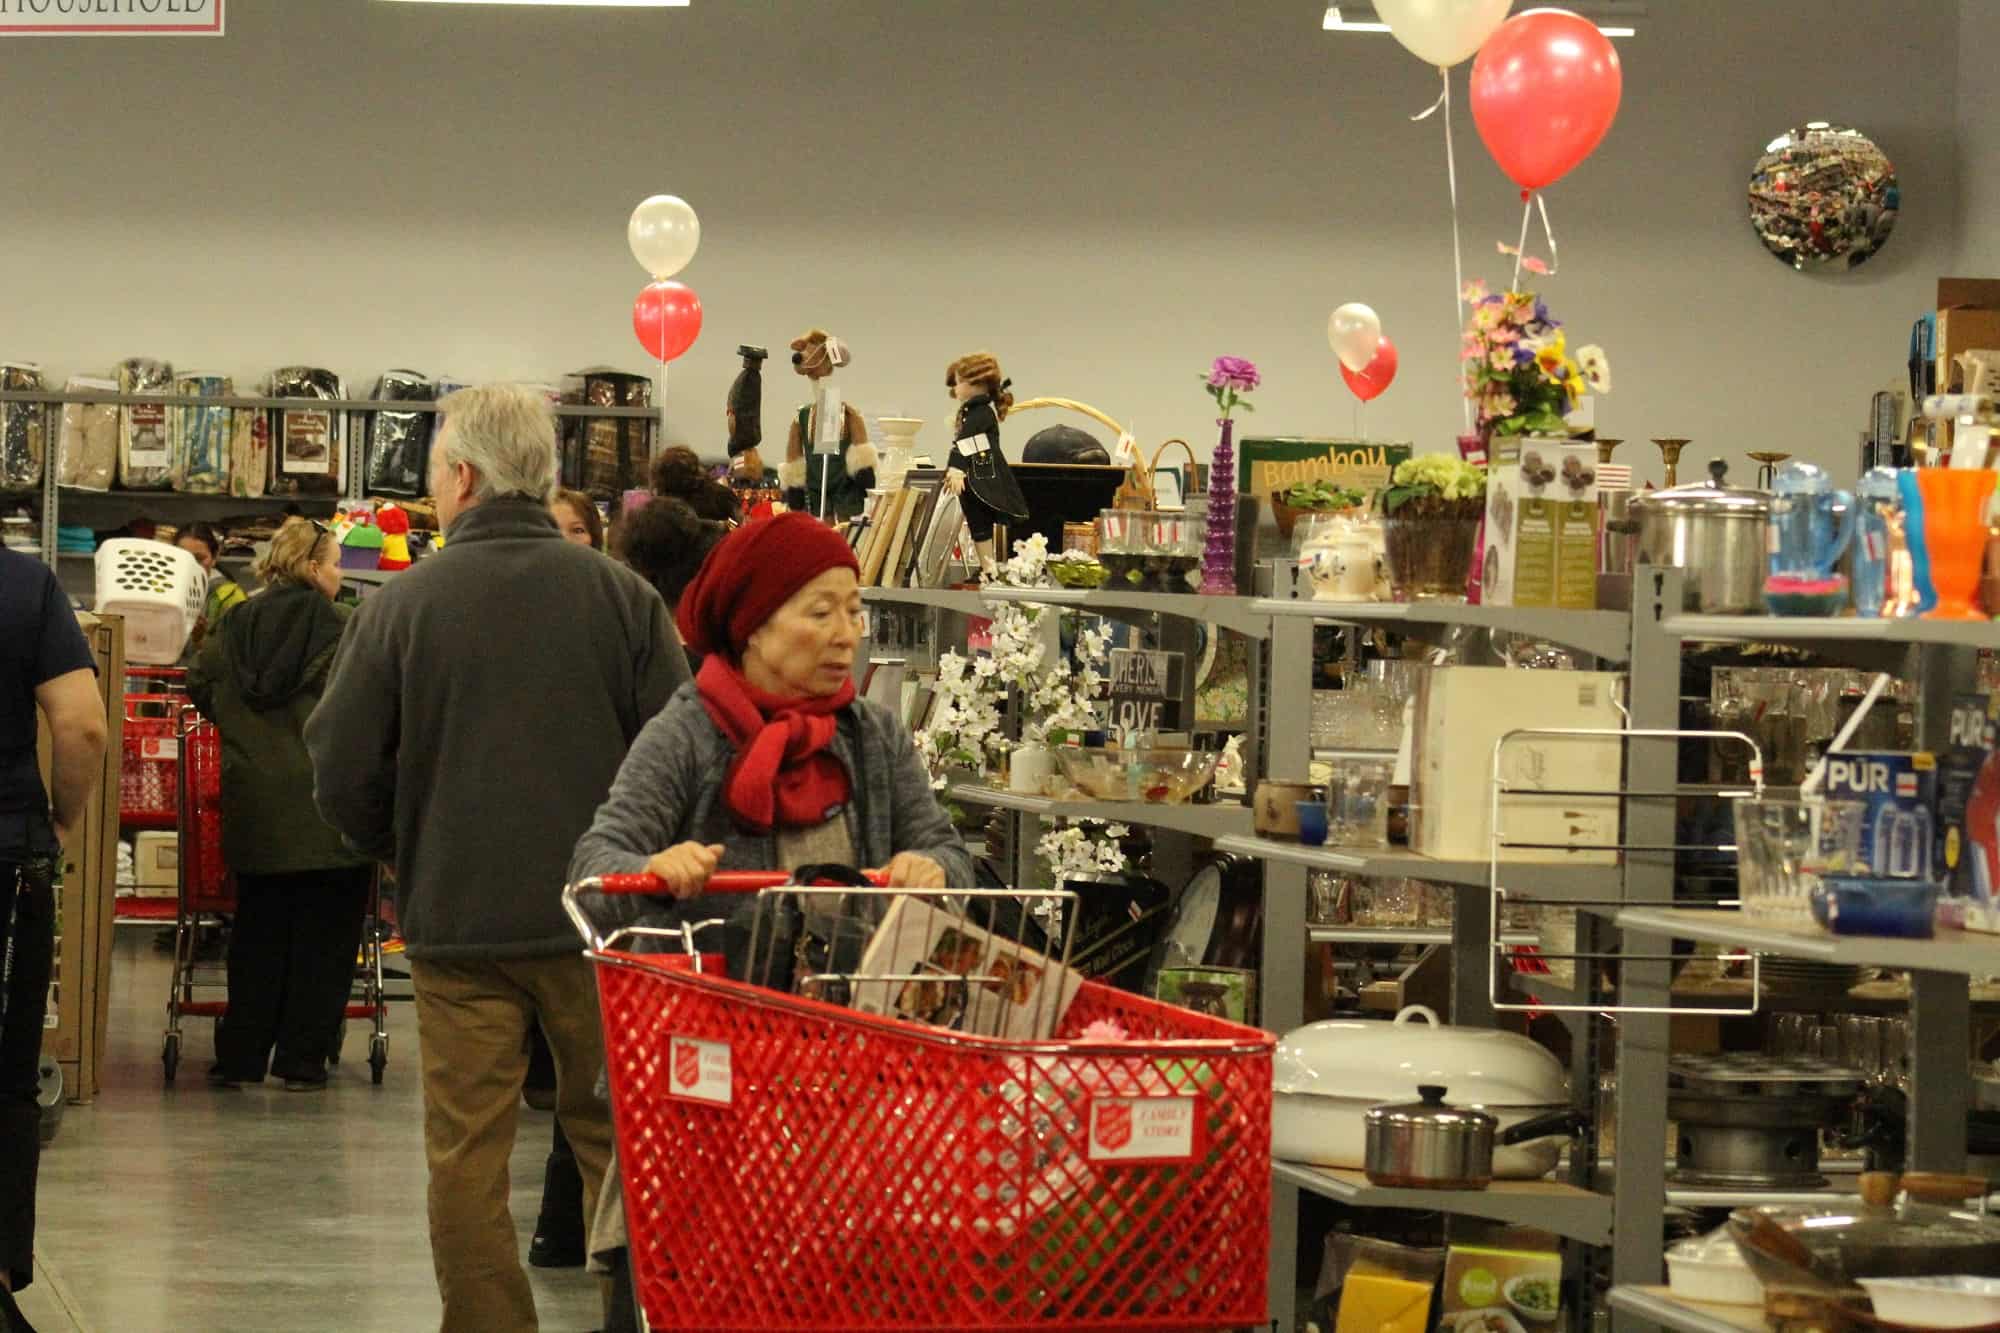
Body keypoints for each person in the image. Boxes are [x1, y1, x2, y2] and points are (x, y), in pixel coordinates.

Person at [305, 382, 689, 1333]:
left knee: (466, 1156)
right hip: (603, 925)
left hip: (458, 923)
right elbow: (686, 755)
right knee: (619, 1144)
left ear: (463, 476)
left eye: (435, 474)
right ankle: (637, 1315)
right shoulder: (625, 598)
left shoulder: (404, 605)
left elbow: (338, 759)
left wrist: (399, 846)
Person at [568, 513, 972, 1327]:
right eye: (819, 611)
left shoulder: (873, 737)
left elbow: (948, 855)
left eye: (854, 610)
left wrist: (935, 874)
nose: (846, 634)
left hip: (850, 1099)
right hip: (708, 1102)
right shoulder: (685, 733)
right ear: (752, 625)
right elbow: (593, 865)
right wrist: (656, 873)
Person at [188, 518, 371, 1091]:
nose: (341, 575)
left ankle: (241, 1057)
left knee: (257, 937)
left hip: (257, 809)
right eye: (337, 563)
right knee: (325, 942)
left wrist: (245, 736)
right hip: (330, 810)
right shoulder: (346, 628)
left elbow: (199, 682)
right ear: (313, 567)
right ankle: (301, 1060)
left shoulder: (234, 623)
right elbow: (375, 704)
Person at [0, 548, 107, 1331]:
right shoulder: (23, 584)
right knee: (5, 1081)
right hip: (6, 860)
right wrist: (62, 819)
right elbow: (83, 724)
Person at [943, 352, 1030, 579]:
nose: (956, 387)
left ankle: (989, 568)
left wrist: (957, 468)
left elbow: (968, 441)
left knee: (979, 521)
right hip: (977, 473)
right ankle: (988, 568)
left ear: (977, 383)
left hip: (982, 476)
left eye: (960, 381)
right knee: (977, 522)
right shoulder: (974, 412)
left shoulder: (980, 413)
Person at [176, 520, 247, 655]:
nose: (191, 565)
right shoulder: (163, 592)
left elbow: (235, 658)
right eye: (184, 558)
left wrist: (201, 640)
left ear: (214, 557)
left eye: (199, 558)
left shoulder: (231, 598)